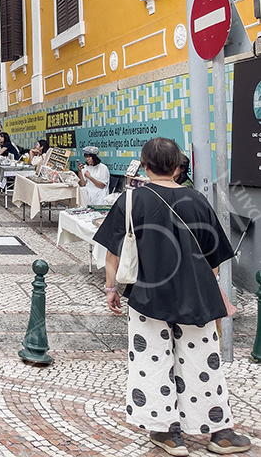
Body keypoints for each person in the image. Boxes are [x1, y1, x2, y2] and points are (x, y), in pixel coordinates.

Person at [93, 137, 250, 456]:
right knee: (203, 362)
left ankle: (168, 434)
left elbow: (113, 252)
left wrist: (111, 289)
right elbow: (214, 257)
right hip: (197, 297)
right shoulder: (197, 200)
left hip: (148, 298)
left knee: (152, 361)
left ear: (145, 166)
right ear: (179, 167)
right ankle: (219, 432)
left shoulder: (132, 200)